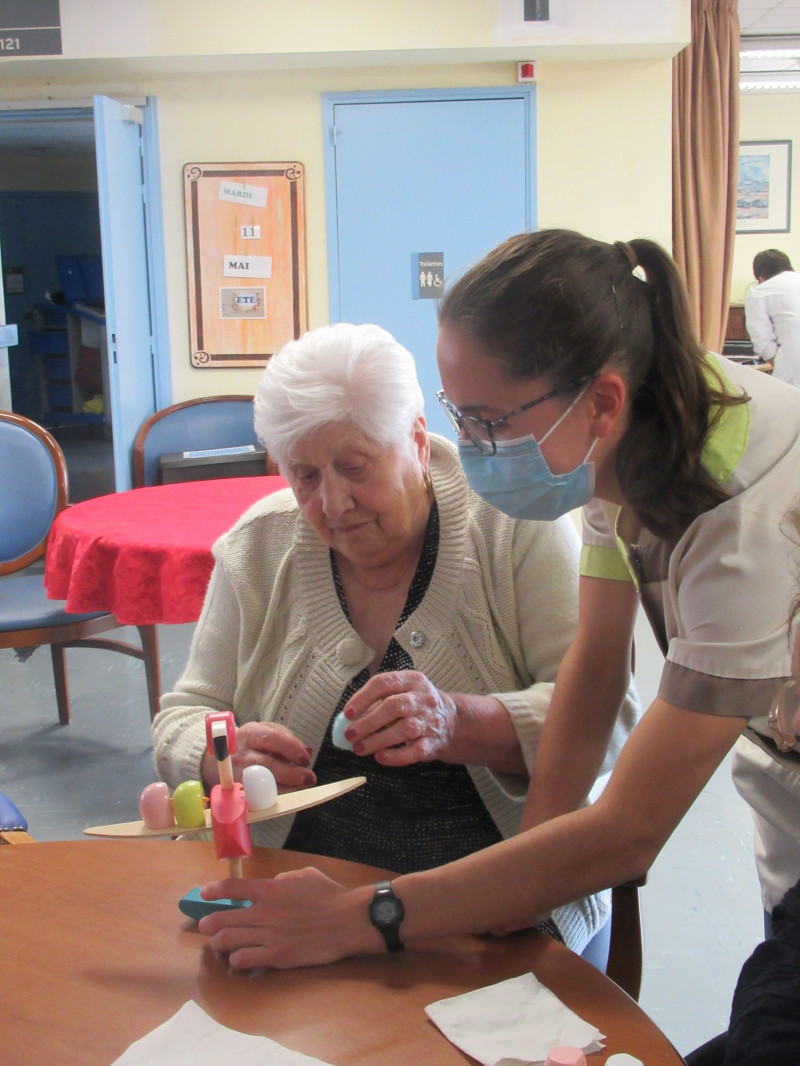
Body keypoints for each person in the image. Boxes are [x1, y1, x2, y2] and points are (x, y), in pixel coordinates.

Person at [195, 229, 800, 974]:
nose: (470, 447)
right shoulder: (626, 443)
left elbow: (631, 827)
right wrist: (524, 894)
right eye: (460, 416)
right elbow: (591, 678)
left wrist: (366, 915)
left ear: (600, 404)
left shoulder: (744, 524)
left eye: (489, 423)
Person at [153, 320, 639, 962]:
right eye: (304, 476)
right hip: (290, 907)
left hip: (494, 914)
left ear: (415, 438)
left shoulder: (516, 527)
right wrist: (223, 757)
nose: (333, 503)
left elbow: (609, 723)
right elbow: (182, 719)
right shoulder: (259, 546)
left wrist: (461, 722)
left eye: (355, 468)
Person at [744, 248, 800, 386]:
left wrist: (780, 363)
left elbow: (762, 341)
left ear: (761, 278)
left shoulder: (759, 292)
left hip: (793, 370)